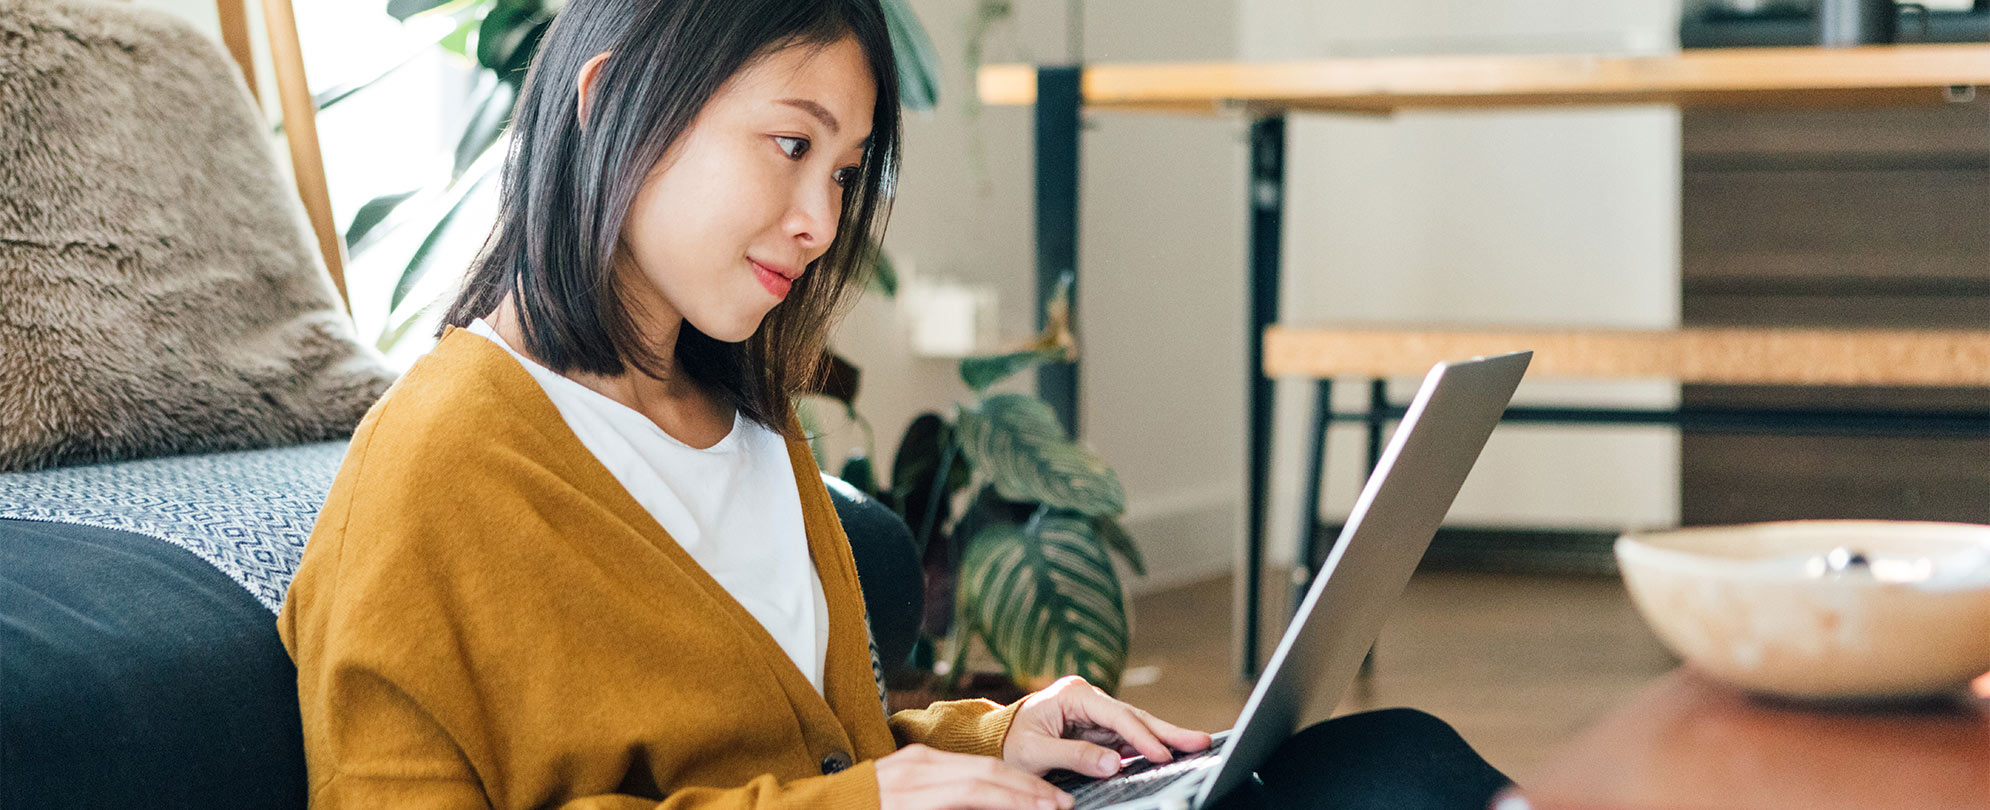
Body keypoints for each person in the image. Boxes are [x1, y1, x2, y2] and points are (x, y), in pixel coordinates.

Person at [277, 0, 1513, 807]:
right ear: (610, 108)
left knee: (1384, 761)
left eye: (848, 169)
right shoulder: (434, 466)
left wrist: (995, 738)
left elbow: (819, 750)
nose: (821, 222)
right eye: (789, 144)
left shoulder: (745, 420)